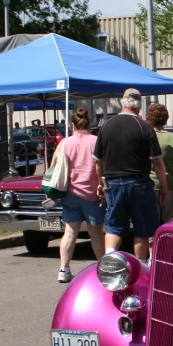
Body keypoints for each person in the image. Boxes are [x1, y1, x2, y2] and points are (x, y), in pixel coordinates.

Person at [93, 88, 167, 262]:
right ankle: (140, 265)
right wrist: (164, 186)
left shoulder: (106, 126)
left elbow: (98, 162)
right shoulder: (145, 127)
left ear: (122, 102)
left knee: (113, 227)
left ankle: (110, 260)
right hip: (139, 183)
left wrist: (101, 182)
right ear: (139, 105)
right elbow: (157, 162)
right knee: (142, 229)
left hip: (113, 184)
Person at [56, 108, 106, 282]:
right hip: (92, 193)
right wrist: (101, 184)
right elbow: (101, 164)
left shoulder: (65, 143)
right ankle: (103, 269)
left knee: (69, 233)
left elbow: (55, 164)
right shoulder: (96, 141)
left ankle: (64, 269)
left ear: (72, 125)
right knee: (96, 234)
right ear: (89, 123)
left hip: (71, 192)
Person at [146, 103, 173, 222]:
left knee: (151, 222)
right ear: (166, 118)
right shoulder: (172, 137)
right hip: (169, 184)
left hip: (150, 184)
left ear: (148, 118)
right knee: (171, 222)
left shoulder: (145, 135)